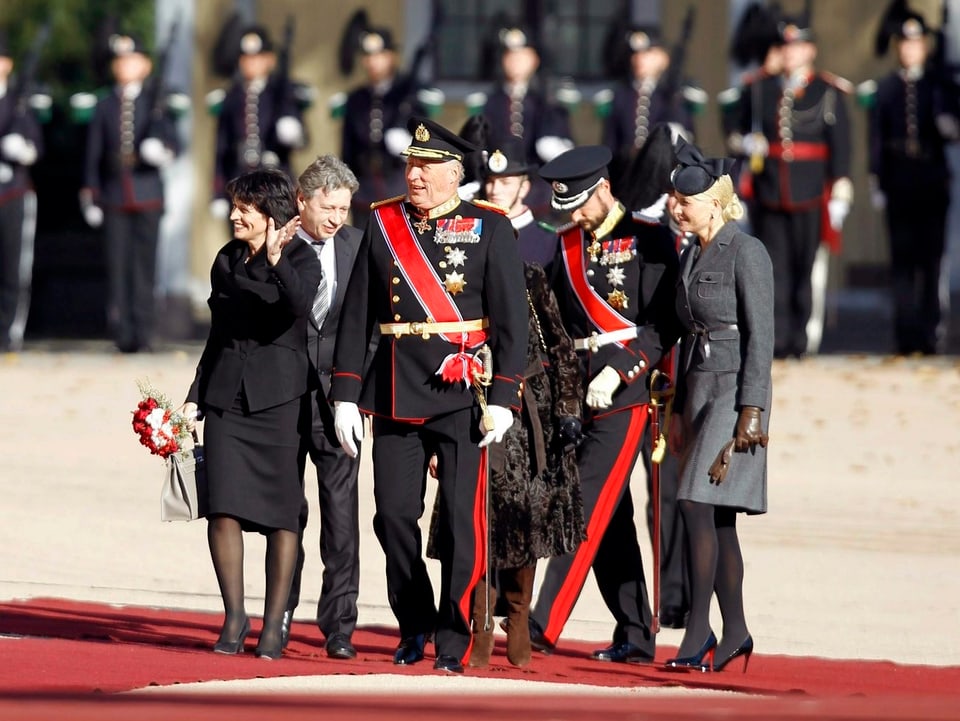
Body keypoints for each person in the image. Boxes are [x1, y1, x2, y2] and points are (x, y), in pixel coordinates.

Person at [330, 116, 527, 675]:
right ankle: (413, 622)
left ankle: (452, 635)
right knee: (392, 517)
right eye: (410, 166)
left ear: (454, 174)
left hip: (465, 392)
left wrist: (506, 399)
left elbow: (511, 322)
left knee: (463, 524)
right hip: (395, 386)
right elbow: (358, 315)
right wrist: (346, 393)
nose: (414, 176)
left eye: (426, 168)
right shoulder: (383, 221)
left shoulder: (489, 227)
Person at [527, 145, 680, 663]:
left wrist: (622, 368)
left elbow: (664, 323)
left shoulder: (649, 239)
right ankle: (636, 631)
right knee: (611, 520)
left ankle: (540, 621)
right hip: (578, 391)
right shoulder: (567, 245)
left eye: (581, 203)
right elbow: (556, 324)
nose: (574, 214)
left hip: (626, 394)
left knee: (583, 503)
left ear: (605, 188)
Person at [179, 168, 323, 660]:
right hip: (227, 397)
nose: (235, 214)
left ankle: (273, 624)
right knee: (222, 507)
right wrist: (196, 393)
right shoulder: (226, 258)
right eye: (234, 205)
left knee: (283, 514)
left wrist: (279, 260)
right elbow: (218, 332)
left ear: (271, 215)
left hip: (279, 399)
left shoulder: (303, 256)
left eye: (245, 207)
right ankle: (235, 615)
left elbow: (299, 307)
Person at [664, 141, 773, 673]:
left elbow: (761, 336)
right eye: (674, 199)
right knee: (720, 519)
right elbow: (687, 335)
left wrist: (754, 408)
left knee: (692, 504)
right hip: (700, 389)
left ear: (715, 202)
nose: (677, 208)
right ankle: (735, 630)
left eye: (687, 201)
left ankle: (697, 628)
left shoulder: (745, 250)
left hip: (733, 392)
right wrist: (680, 406)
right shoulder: (690, 252)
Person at [282, 155, 365, 659]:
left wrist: (356, 397)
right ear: (302, 201)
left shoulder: (358, 246)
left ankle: (339, 626)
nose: (336, 218)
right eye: (327, 206)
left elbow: (375, 327)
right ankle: (280, 613)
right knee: (286, 514)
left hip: (341, 401)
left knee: (342, 517)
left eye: (344, 208)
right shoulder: (279, 246)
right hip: (285, 399)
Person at [731, 13, 852, 358]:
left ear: (810, 51)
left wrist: (840, 189)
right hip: (770, 191)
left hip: (811, 192)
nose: (789, 54)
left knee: (805, 269)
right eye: (784, 47)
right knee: (774, 271)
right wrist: (745, 145)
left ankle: (800, 340)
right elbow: (735, 132)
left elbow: (840, 145)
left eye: (796, 47)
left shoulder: (826, 90)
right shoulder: (759, 88)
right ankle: (777, 339)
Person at [862, 9, 959, 355]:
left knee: (932, 261)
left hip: (932, 179)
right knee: (902, 263)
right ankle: (906, 333)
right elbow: (875, 138)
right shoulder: (885, 89)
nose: (910, 50)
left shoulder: (939, 84)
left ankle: (931, 330)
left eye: (916, 44)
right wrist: (876, 180)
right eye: (905, 44)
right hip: (899, 179)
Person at [80, 32, 182, 353]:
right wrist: (91, 192)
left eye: (131, 60)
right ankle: (122, 332)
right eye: (119, 60)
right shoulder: (105, 104)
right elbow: (93, 152)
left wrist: (162, 149)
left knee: (144, 267)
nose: (124, 66)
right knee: (118, 265)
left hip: (147, 192)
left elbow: (174, 141)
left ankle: (144, 330)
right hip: (114, 195)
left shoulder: (157, 100)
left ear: (145, 65)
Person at [210, 25, 307, 220]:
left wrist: (293, 133)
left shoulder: (280, 91)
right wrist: (218, 193)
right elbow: (221, 149)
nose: (251, 63)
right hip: (239, 181)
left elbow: (303, 140)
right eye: (246, 58)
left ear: (269, 60)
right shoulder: (231, 97)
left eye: (257, 57)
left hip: (276, 182)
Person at [338, 26, 425, 230]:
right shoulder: (356, 99)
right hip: (364, 191)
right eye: (368, 55)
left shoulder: (409, 95)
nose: (373, 61)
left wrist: (409, 147)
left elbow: (427, 141)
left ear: (392, 56)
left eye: (379, 55)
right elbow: (347, 150)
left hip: (398, 187)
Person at [597, 25, 701, 196]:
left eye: (647, 53)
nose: (639, 59)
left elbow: (685, 139)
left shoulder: (676, 95)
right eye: (635, 54)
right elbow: (609, 145)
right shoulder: (618, 96)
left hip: (664, 184)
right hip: (625, 182)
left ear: (663, 58)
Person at [0, 30, 43, 353]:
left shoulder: (20, 102)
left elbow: (35, 148)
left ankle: (9, 332)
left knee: (13, 267)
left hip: (13, 193)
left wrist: (23, 150)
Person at [481, 136, 558, 269]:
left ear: (524, 188)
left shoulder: (550, 240)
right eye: (490, 182)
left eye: (505, 183)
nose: (494, 190)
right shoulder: (476, 234)